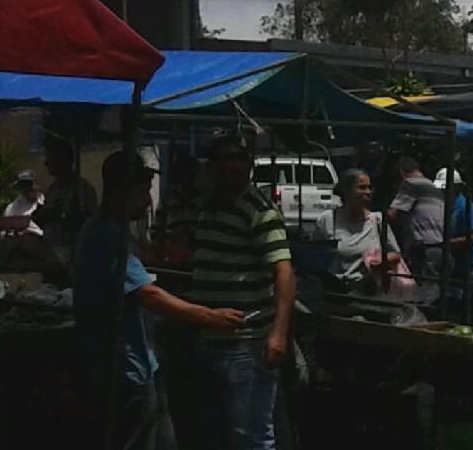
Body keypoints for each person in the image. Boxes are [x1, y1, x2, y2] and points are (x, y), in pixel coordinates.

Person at [76, 149, 246, 450]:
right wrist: (210, 317)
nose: (147, 200)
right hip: (124, 368)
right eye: (140, 192)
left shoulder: (113, 231)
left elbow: (145, 263)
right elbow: (149, 294)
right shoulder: (105, 236)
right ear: (117, 193)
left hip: (143, 363)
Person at [191, 134, 296, 450]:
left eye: (237, 166)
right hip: (209, 336)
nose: (229, 173)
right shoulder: (208, 206)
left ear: (247, 169)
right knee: (216, 432)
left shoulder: (259, 210)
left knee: (250, 435)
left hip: (246, 342)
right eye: (222, 166)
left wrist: (278, 333)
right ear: (211, 170)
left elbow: (284, 271)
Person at [310, 169, 401, 295]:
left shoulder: (377, 220)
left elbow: (396, 254)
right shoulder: (327, 219)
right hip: (335, 293)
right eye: (362, 188)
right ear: (346, 191)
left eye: (370, 187)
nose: (368, 192)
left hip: (369, 293)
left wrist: (380, 261)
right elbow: (314, 255)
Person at [387, 155, 447, 302]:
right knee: (434, 290)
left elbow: (392, 214)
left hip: (422, 248)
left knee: (421, 294)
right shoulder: (434, 188)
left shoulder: (411, 184)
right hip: (440, 247)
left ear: (401, 172)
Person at [435, 168, 473, 312]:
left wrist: (448, 244)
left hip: (471, 268)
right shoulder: (445, 207)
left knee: (469, 308)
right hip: (455, 266)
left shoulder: (466, 206)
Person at [35, 140, 98, 257]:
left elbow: (87, 221)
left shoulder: (81, 189)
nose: (46, 163)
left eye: (50, 158)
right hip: (51, 249)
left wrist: (60, 215)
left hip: (72, 252)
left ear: (61, 160)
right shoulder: (53, 188)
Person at [0, 171, 45, 238]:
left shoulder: (46, 203)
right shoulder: (12, 207)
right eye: (23, 186)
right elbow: (5, 229)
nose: (27, 189)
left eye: (29, 184)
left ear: (37, 185)